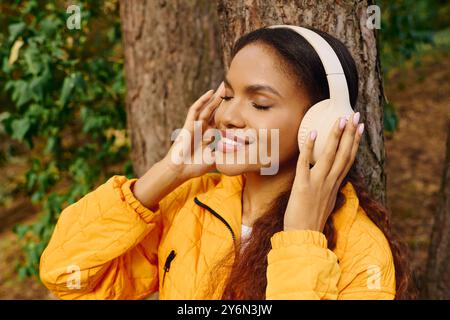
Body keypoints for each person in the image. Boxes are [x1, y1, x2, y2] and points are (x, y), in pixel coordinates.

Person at [39, 26, 411, 299]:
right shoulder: (193, 203)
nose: (228, 116)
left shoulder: (362, 251)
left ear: (323, 123)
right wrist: (170, 170)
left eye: (259, 103)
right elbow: (68, 275)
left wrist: (301, 240)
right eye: (228, 94)